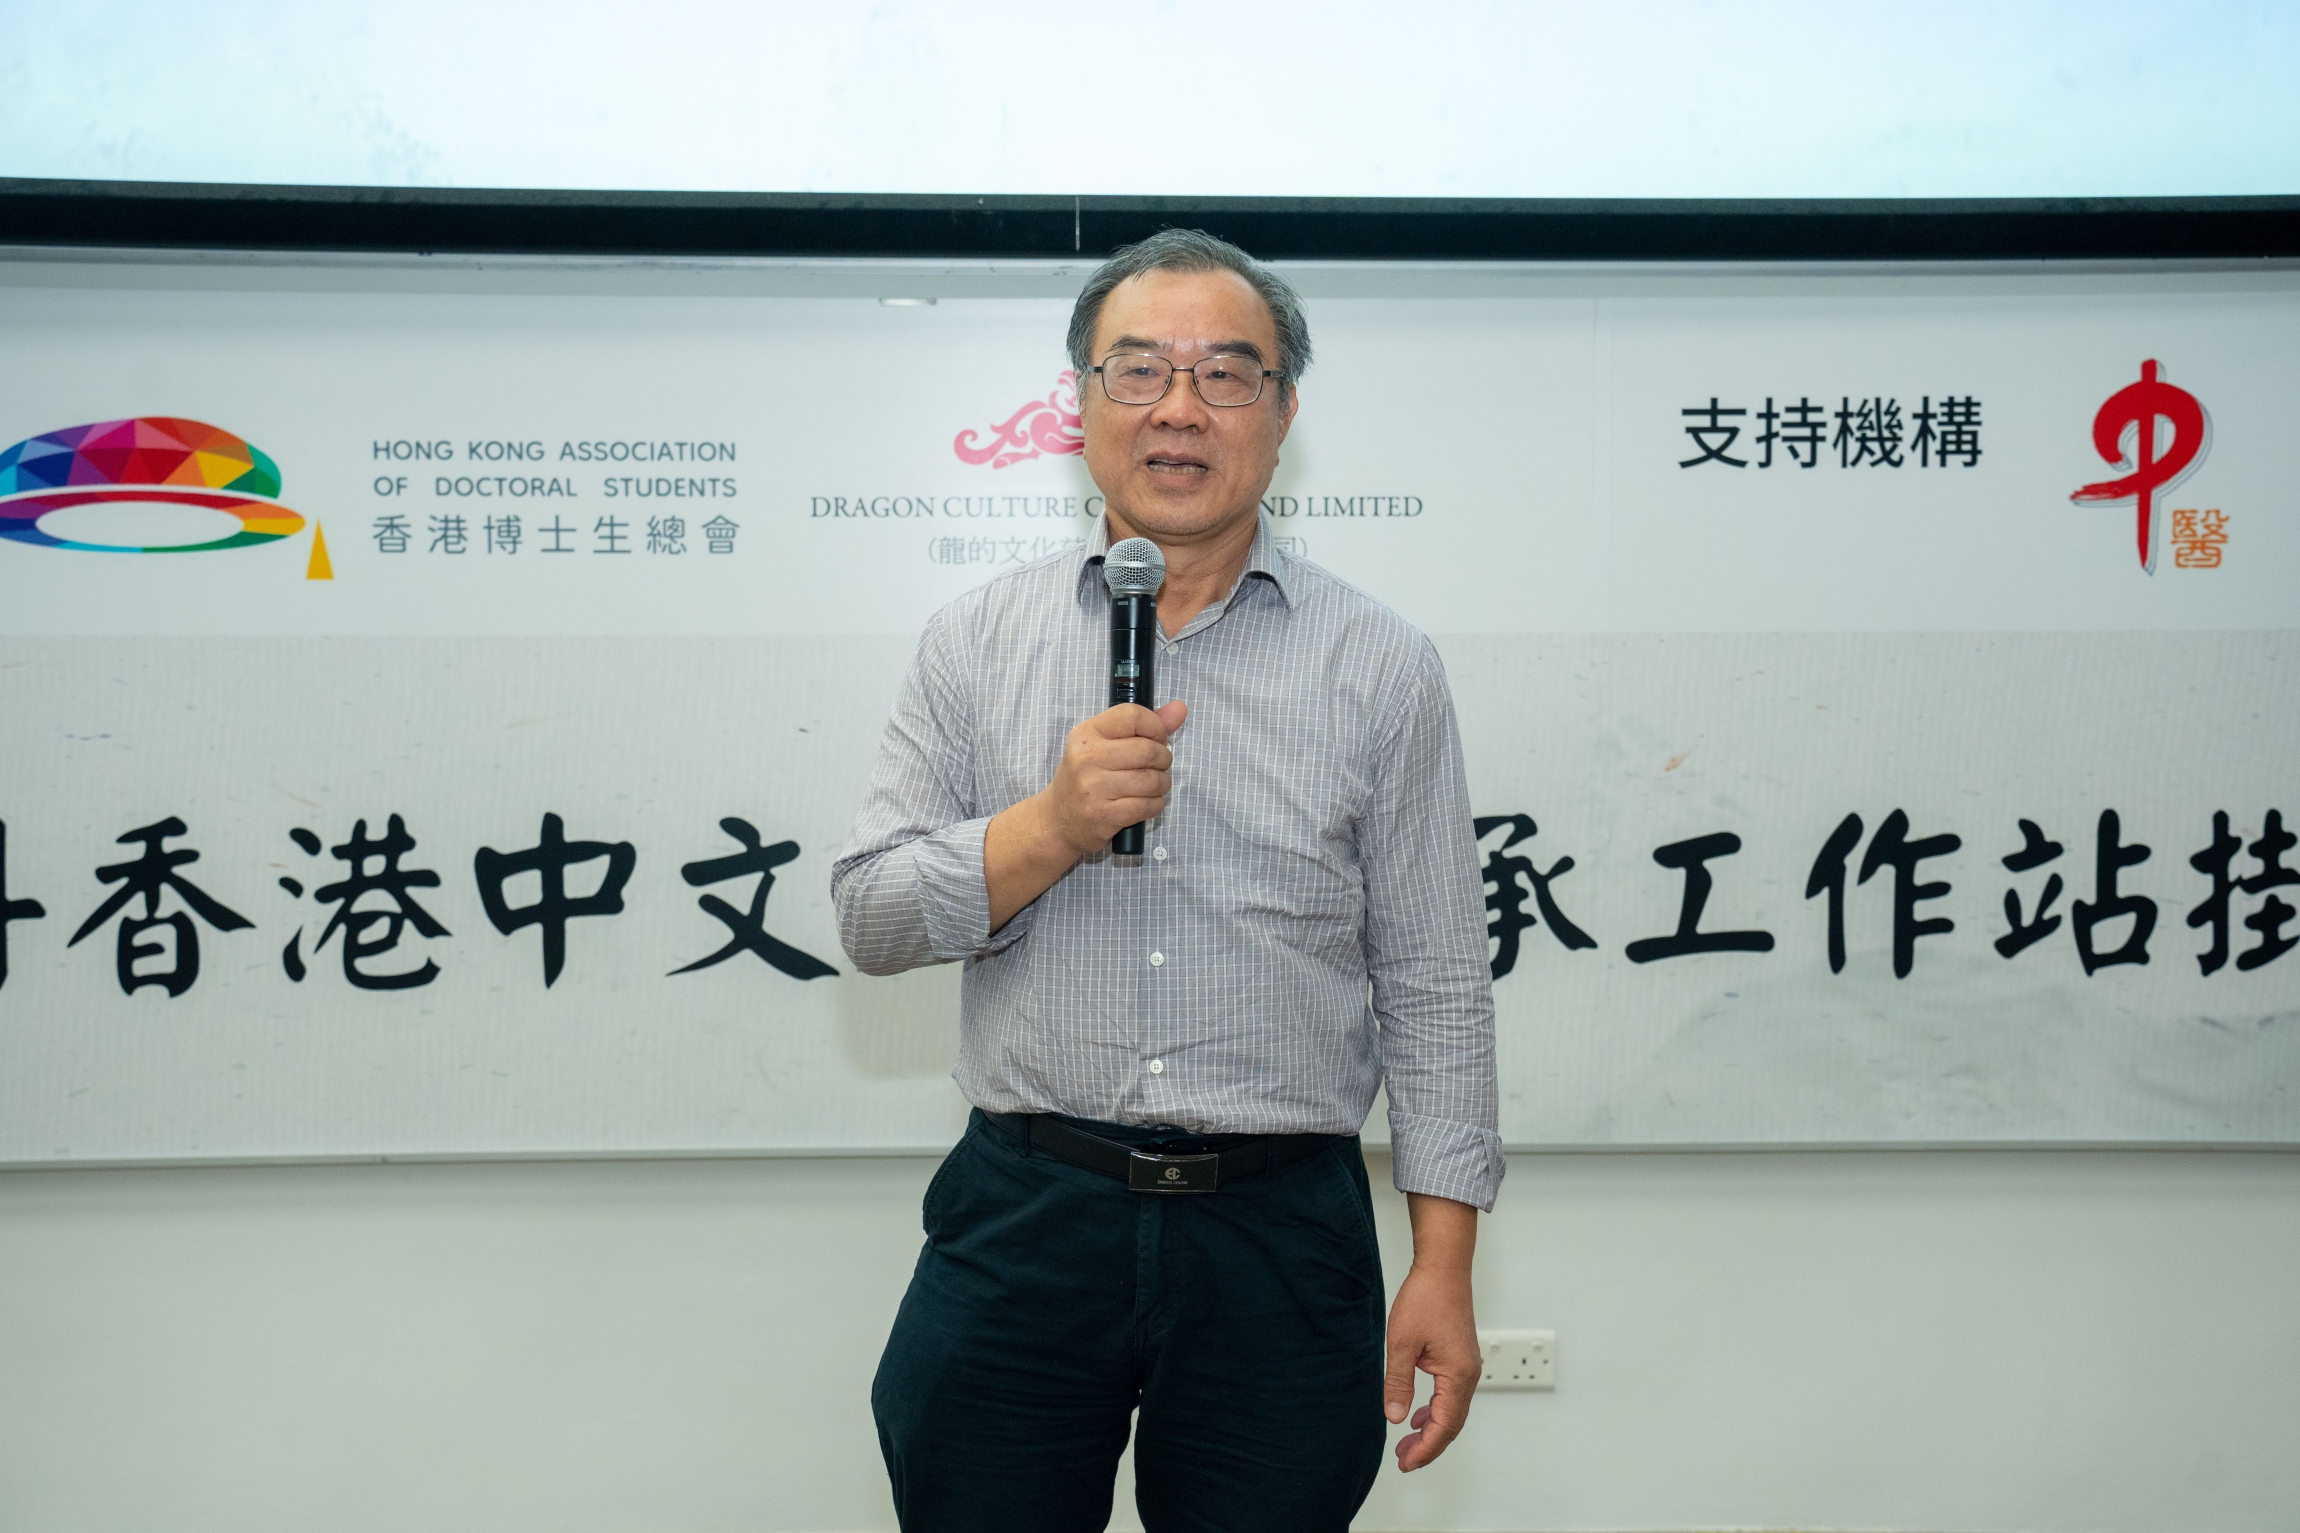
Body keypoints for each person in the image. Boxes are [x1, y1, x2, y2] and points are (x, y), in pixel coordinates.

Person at [832, 227, 1501, 1532]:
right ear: (1080, 404)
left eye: (1226, 374)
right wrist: (1049, 827)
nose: (1179, 409)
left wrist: (1445, 1260)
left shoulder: (1380, 663)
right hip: (1026, 1219)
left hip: (1280, 1234)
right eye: (1138, 370)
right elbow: (870, 916)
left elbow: (1434, 980)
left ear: (1284, 411)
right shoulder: (975, 641)